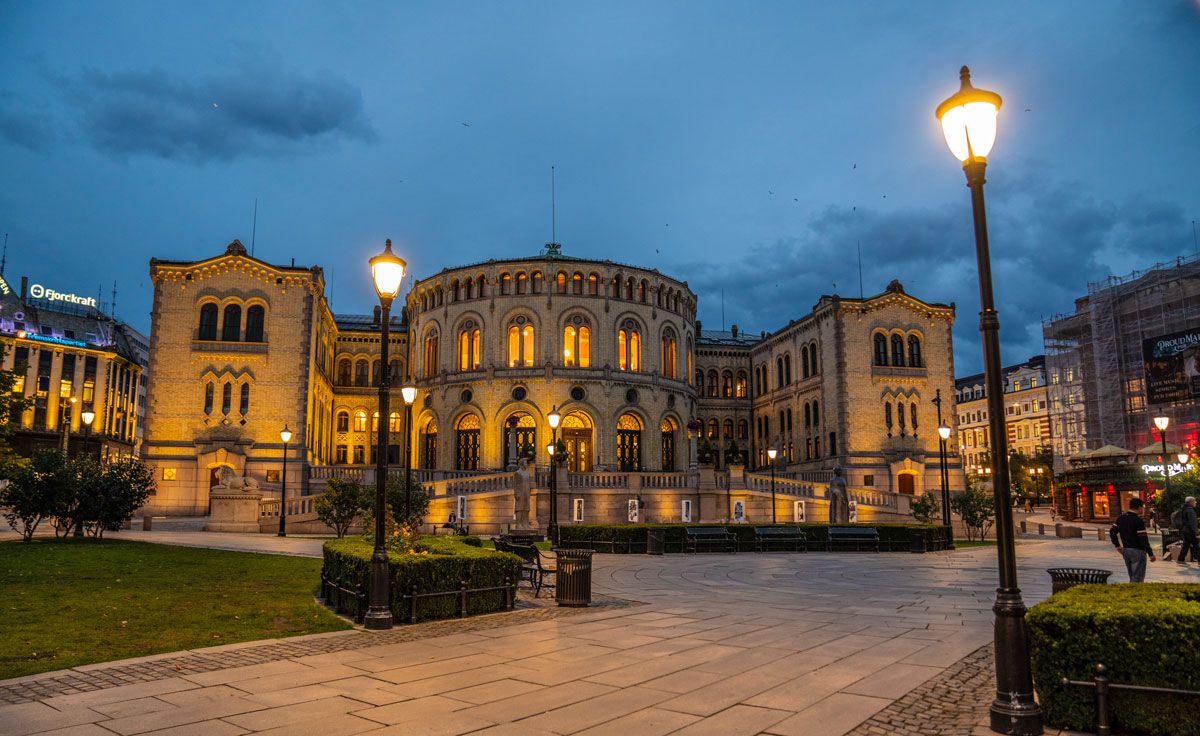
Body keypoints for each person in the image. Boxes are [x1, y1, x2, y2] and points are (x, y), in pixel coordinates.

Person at [1109, 497, 1156, 582]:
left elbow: (1112, 532)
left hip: (1126, 550)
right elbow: (1143, 539)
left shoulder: (1121, 518)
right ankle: (1135, 593)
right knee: (1138, 577)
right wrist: (1150, 553)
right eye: (1143, 507)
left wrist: (1117, 545)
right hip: (1138, 551)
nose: (1143, 509)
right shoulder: (1138, 520)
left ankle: (1132, 591)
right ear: (1139, 507)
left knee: (1132, 575)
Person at [1177, 496, 1198, 565]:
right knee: (1196, 545)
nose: (1195, 502)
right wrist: (1195, 532)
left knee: (1186, 545)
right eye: (1194, 501)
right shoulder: (1190, 510)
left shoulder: (1183, 509)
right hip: (1190, 531)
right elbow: (1193, 522)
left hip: (1184, 530)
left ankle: (1180, 559)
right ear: (1191, 502)